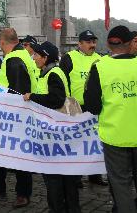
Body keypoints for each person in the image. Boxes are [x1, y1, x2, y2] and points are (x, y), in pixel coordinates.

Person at [0, 28, 36, 208]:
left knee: (18, 154)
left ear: (2, 42)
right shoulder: (22, 55)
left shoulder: (14, 60)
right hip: (8, 112)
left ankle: (22, 193)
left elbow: (18, 91)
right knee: (0, 152)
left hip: (13, 115)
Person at [84, 26, 137, 213]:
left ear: (108, 44)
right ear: (131, 43)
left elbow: (92, 106)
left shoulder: (100, 67)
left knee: (120, 184)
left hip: (115, 136)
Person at [22, 41, 80, 213]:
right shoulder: (52, 72)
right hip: (59, 131)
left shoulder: (52, 74)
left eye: (36, 55)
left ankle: (58, 208)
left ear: (45, 57)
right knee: (66, 176)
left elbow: (56, 99)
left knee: (54, 176)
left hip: (55, 133)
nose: (34, 58)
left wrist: (33, 96)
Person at [59, 29, 106, 187]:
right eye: (88, 42)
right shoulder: (68, 58)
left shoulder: (100, 59)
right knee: (76, 144)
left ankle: (95, 175)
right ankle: (76, 177)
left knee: (94, 143)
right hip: (76, 108)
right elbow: (63, 81)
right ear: (79, 44)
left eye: (93, 41)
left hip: (94, 108)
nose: (92, 45)